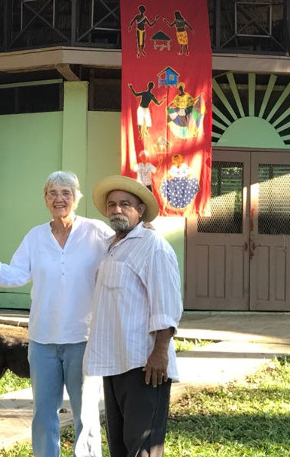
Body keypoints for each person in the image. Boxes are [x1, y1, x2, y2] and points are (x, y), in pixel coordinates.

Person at [0, 171, 113, 457]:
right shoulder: (36, 236)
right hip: (43, 340)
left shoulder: (96, 231)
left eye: (66, 193)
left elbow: (125, 249)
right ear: (45, 199)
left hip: (83, 339)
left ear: (76, 197)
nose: (59, 198)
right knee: (44, 414)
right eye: (52, 193)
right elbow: (14, 274)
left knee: (86, 415)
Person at [84, 175, 183, 457]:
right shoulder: (112, 247)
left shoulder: (153, 246)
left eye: (125, 204)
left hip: (144, 365)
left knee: (142, 448)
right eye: (112, 204)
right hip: (114, 362)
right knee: (121, 446)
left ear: (140, 211)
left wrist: (159, 353)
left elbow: (166, 304)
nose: (117, 209)